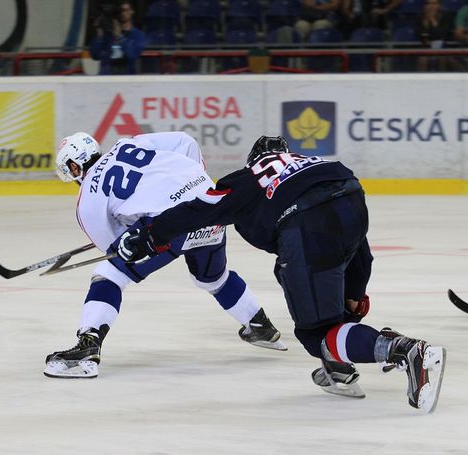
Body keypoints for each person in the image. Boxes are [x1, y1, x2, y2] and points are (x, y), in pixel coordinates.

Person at [115, 135, 447, 413]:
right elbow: (359, 250)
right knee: (313, 282)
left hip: (306, 223)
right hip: (350, 196)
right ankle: (339, 363)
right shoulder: (312, 163)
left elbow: (200, 209)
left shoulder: (247, 179)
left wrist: (150, 236)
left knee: (315, 333)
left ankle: (403, 350)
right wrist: (356, 294)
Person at [44, 131, 287, 379]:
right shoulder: (128, 144)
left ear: (74, 166)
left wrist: (138, 235)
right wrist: (197, 184)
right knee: (212, 278)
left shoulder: (87, 198)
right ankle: (260, 327)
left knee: (109, 275)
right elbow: (186, 142)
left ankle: (88, 344)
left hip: (167, 224)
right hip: (210, 203)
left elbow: (114, 248)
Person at [89, 1, 146, 75]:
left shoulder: (138, 35)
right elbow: (95, 55)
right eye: (120, 11)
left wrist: (119, 36)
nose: (122, 13)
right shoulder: (108, 33)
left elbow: (132, 55)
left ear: (132, 11)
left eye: (124, 10)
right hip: (106, 77)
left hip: (125, 77)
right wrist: (100, 34)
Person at [415, 0, 456, 71]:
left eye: (434, 3)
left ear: (439, 5)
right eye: (428, 3)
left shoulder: (446, 16)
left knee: (442, 58)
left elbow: (442, 34)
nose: (431, 6)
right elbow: (420, 35)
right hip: (426, 48)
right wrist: (426, 22)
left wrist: (433, 20)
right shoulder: (420, 17)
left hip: (443, 47)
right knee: (423, 60)